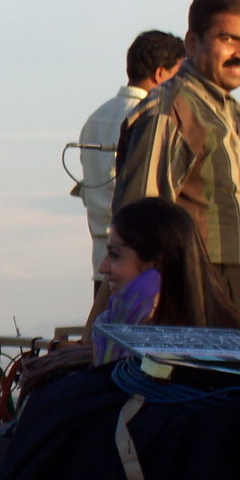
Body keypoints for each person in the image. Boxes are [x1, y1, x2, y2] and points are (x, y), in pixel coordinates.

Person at [112, 0, 240, 313]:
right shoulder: (171, 109)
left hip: (239, 286)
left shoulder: (225, 110)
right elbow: (139, 221)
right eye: (228, 39)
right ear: (193, 42)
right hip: (199, 284)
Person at [77, 31, 184, 293]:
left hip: (103, 257)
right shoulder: (150, 118)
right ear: (161, 74)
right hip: (140, 260)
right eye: (178, 76)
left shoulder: (96, 118)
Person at [93, 197, 240, 363]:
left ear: (156, 264)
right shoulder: (110, 327)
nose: (103, 267)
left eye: (115, 254)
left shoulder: (231, 342)